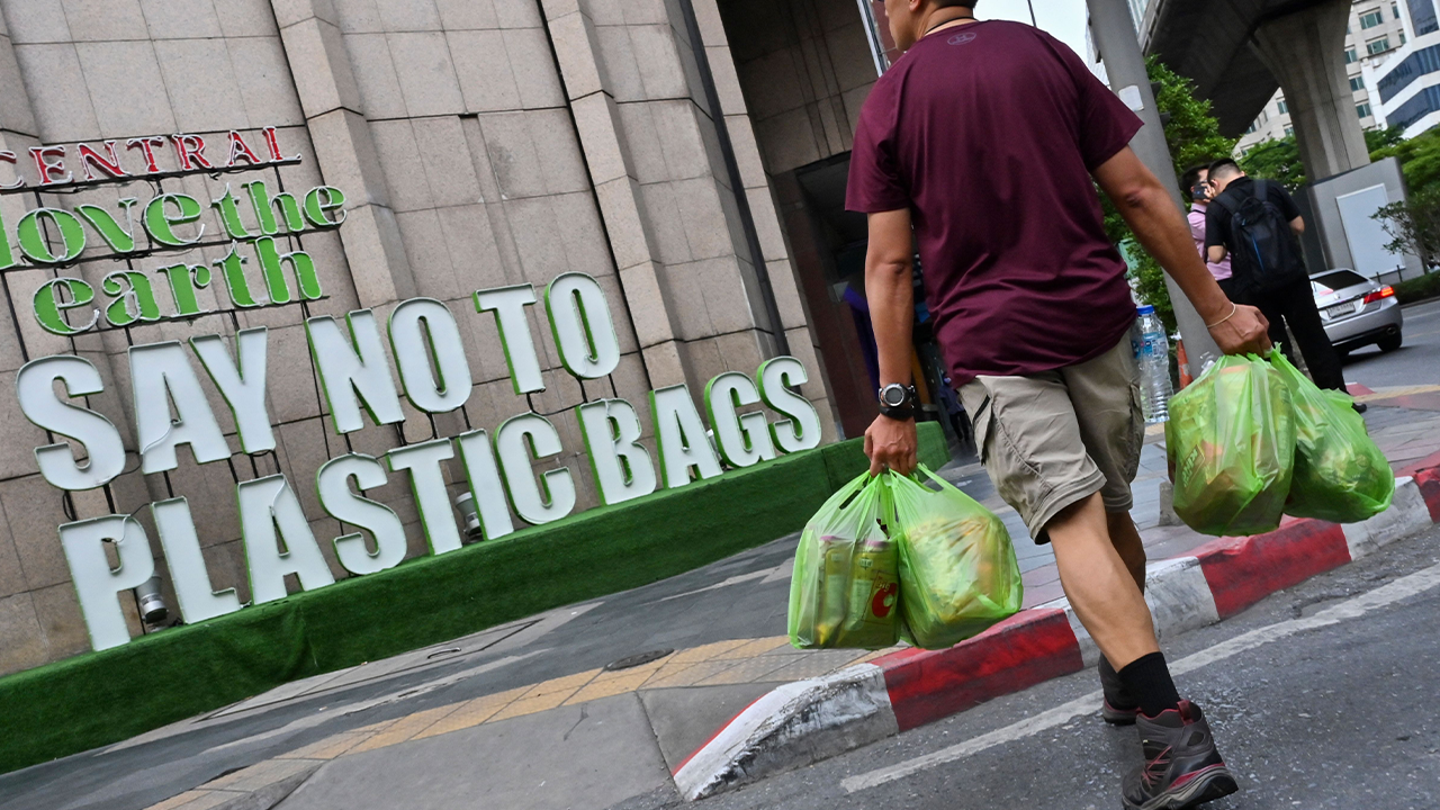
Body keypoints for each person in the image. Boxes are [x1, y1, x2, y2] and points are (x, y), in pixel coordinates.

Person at [847, 2, 1271, 807]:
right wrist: (1217, 311)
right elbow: (1141, 193)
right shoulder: (1042, 54)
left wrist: (896, 404)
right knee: (1111, 516)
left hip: (996, 344)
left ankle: (1171, 734)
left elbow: (890, 267)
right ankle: (1124, 675)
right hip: (1097, 321)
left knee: (1072, 522)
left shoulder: (892, 98)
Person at [1205, 158, 1348, 393]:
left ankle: (1296, 407)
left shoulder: (1218, 206)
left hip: (1254, 287)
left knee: (1276, 349)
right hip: (1292, 277)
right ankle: (1340, 400)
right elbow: (1299, 226)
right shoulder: (1271, 187)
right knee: (1313, 339)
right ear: (1242, 172)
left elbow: (1216, 254)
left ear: (1214, 182)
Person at [1181, 165, 1235, 296]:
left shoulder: (1218, 210)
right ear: (1195, 190)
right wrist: (1219, 200)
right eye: (1209, 181)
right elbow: (1230, 231)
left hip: (1241, 275)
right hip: (1223, 280)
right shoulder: (1193, 220)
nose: (1215, 183)